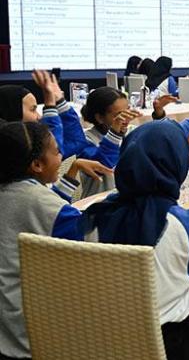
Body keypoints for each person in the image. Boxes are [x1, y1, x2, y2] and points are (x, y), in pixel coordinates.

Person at [80, 121, 189, 360]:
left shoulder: (96, 216)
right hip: (169, 345)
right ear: (177, 165)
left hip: (104, 340)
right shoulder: (185, 225)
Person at [0, 121, 111, 359]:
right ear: (37, 165)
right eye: (57, 152)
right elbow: (93, 243)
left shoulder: (14, 191)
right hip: (30, 333)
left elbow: (43, 211)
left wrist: (72, 172)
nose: (62, 157)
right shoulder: (45, 206)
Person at [79, 86, 141, 197]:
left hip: (128, 199)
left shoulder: (132, 132)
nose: (126, 119)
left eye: (127, 111)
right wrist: (115, 133)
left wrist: (158, 114)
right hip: (99, 201)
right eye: (119, 115)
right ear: (100, 118)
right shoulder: (85, 140)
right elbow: (102, 167)